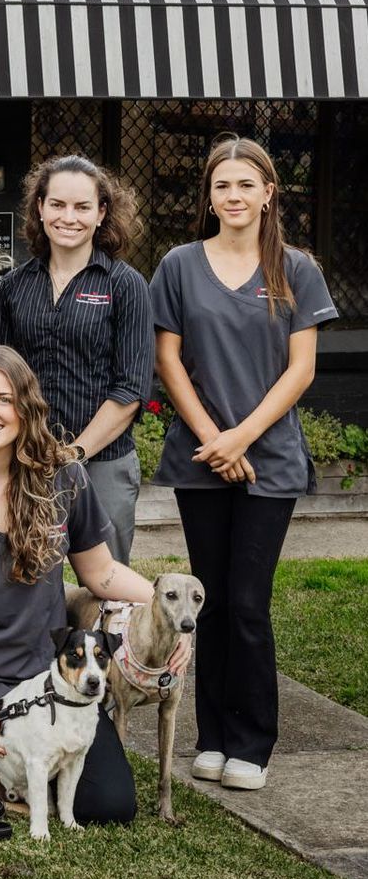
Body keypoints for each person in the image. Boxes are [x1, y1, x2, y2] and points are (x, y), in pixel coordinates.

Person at [0, 345, 172, 823]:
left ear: (26, 407)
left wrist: (167, 615)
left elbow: (101, 573)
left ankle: (11, 761)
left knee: (109, 804)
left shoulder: (63, 479)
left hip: (42, 680)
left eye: (4, 399)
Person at [151, 136, 337, 792]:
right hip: (200, 456)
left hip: (270, 461)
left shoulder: (295, 270)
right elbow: (167, 359)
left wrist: (243, 438)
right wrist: (211, 436)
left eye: (243, 185)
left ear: (267, 194)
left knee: (247, 602)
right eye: (220, 186)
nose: (232, 196)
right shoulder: (176, 265)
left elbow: (302, 368)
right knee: (206, 600)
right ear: (209, 196)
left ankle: (252, 743)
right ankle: (213, 737)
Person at [0, 155, 153, 562]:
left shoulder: (125, 285)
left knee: (108, 585)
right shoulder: (13, 287)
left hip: (104, 464)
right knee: (26, 576)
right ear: (40, 208)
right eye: (58, 205)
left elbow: (130, 389)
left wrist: (75, 454)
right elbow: (0, 381)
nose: (69, 217)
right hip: (27, 460)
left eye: (82, 207)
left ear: (101, 214)